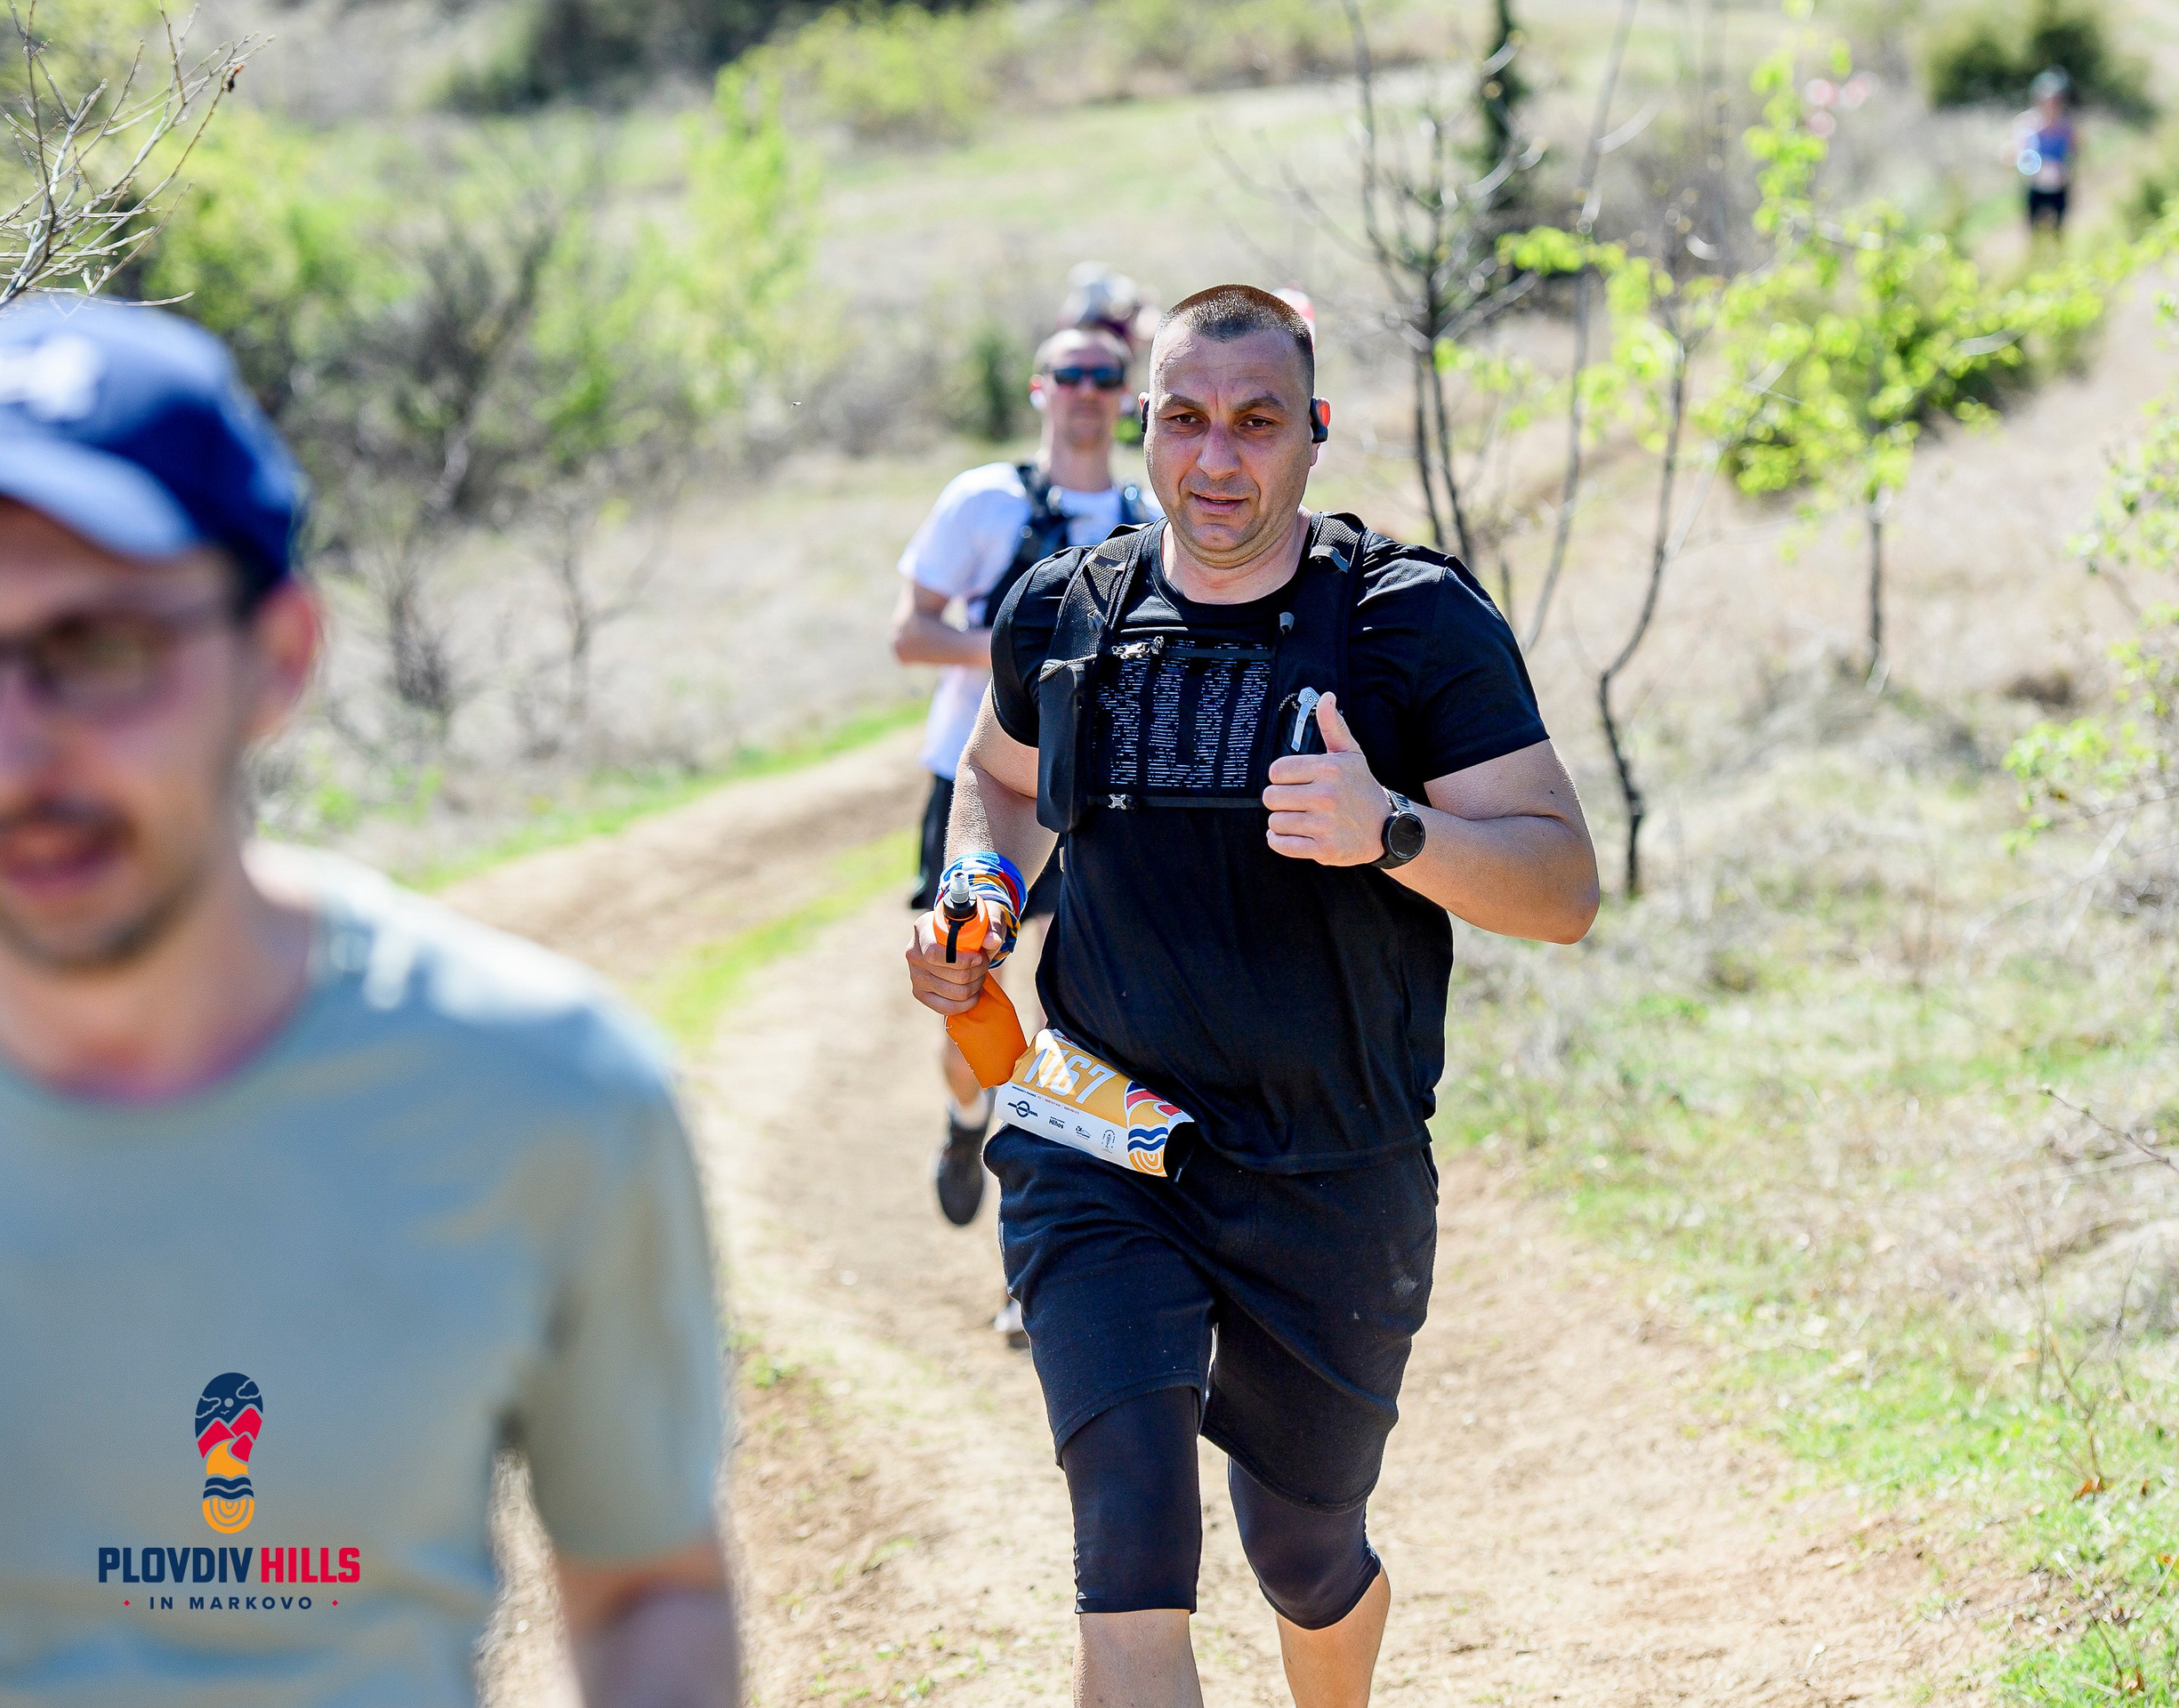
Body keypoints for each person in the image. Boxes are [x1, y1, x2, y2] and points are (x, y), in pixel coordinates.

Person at [0, 294, 737, 1707]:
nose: (23, 745)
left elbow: (647, 1584)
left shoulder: (545, 1096)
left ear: (277, 656)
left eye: (100, 650)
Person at [904, 284, 1599, 1706]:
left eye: (1257, 423)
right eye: (1186, 420)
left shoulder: (1409, 625)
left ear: (1314, 436)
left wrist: (1391, 829)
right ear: (1146, 428)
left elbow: (1564, 887)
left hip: (1330, 1167)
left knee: (1301, 1546)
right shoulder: (1068, 607)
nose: (1217, 459)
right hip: (1100, 1141)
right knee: (1132, 1550)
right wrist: (980, 890)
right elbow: (1003, 779)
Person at [890, 324, 1158, 1260]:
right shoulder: (983, 500)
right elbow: (911, 633)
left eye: (1106, 375)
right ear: (1041, 388)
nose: (1088, 390)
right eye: (1071, 374)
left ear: (1127, 395)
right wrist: (1027, 657)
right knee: (972, 988)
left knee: (1063, 1018)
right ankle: (967, 1123)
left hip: (1088, 803)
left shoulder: (1147, 511)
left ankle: (1034, 1237)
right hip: (974, 781)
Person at [2012, 68, 2078, 235]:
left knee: (2059, 231)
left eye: (2055, 100)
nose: (2050, 105)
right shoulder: (2027, 124)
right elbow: (2018, 152)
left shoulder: (2067, 126)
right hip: (2035, 186)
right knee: (2034, 231)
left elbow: (2074, 153)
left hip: (2059, 186)